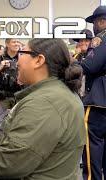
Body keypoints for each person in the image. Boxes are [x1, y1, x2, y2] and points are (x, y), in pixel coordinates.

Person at [0, 38, 85, 179]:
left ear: (38, 60)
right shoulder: (57, 93)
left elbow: (10, 162)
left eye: (22, 53)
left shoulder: (44, 103)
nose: (17, 61)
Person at [80, 6, 106, 180]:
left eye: (95, 22)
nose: (94, 27)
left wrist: (76, 63)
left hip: (99, 99)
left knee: (92, 147)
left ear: (101, 21)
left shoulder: (101, 38)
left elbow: (90, 65)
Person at [0, 38, 21, 110]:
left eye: (18, 42)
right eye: (14, 42)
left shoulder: (23, 58)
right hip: (3, 98)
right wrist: (0, 67)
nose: (16, 44)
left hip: (19, 96)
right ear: (7, 44)